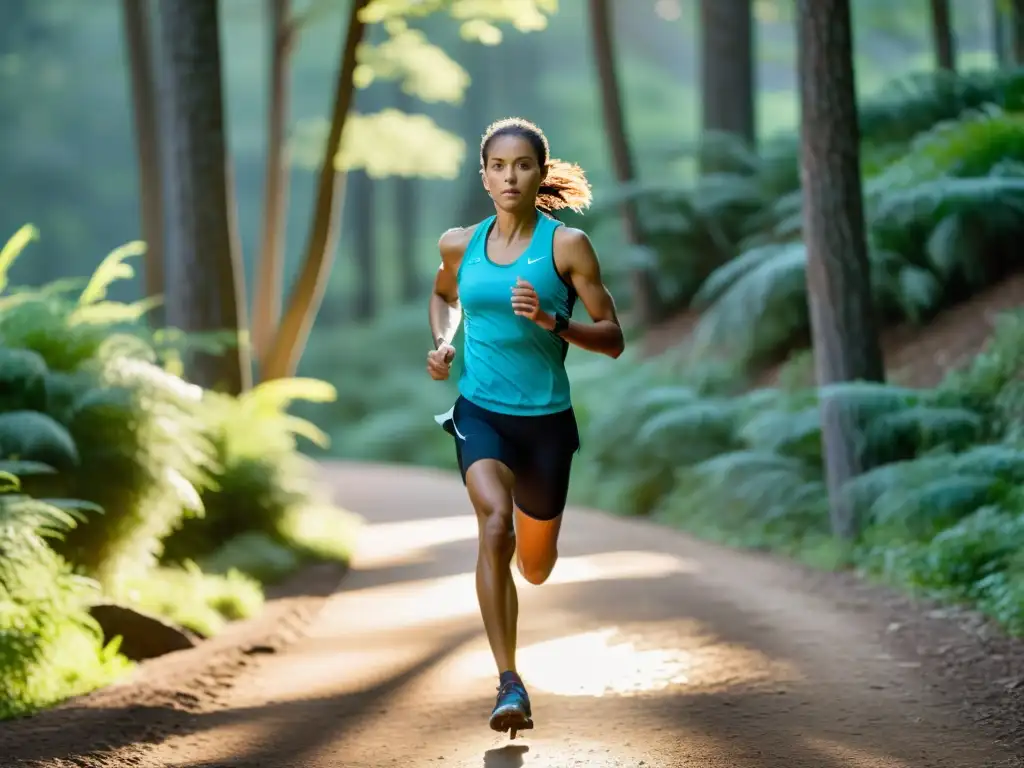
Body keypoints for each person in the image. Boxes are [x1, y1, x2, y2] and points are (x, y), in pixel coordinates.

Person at [425, 116, 625, 737]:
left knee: (534, 566)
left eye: (523, 166)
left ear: (540, 174)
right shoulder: (459, 244)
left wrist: (554, 323)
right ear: (484, 177)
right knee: (493, 523)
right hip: (481, 412)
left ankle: (529, 567)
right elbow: (443, 296)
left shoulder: (567, 247)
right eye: (498, 166)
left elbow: (614, 338)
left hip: (546, 425)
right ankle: (509, 681)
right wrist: (442, 342)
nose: (510, 176)